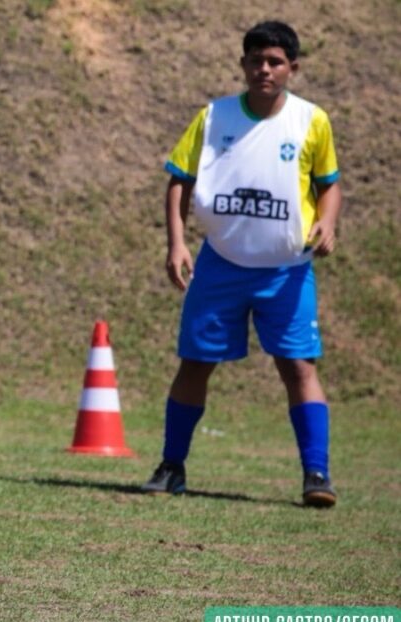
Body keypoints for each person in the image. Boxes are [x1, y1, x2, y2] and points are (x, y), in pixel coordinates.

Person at [140, 21, 342, 508]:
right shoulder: (214, 117)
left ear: (293, 68)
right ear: (243, 65)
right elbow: (179, 180)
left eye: (275, 62)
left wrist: (328, 222)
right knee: (195, 362)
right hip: (221, 264)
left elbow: (329, 183)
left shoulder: (311, 120)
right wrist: (176, 243)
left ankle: (316, 474)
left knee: (298, 366)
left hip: (287, 270)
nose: (264, 69)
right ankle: (172, 465)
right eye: (256, 61)